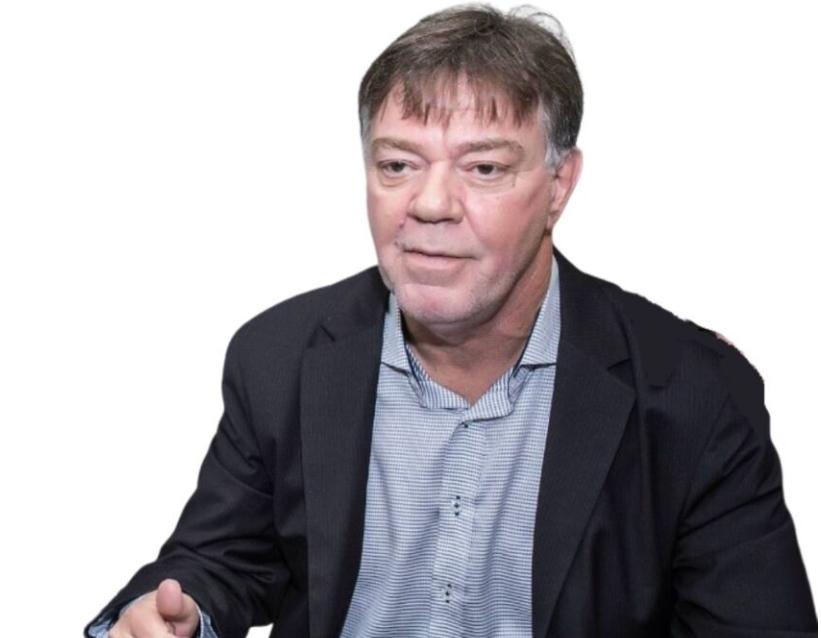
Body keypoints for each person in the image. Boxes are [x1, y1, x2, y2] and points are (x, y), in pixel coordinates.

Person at [86, 4, 817, 637]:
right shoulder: (279, 357)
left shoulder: (693, 392)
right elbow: (221, 560)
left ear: (559, 185)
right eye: (397, 165)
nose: (430, 204)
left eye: (483, 168)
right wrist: (177, 613)